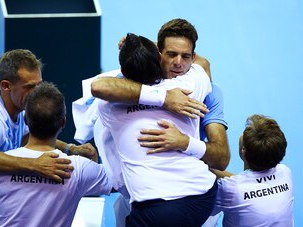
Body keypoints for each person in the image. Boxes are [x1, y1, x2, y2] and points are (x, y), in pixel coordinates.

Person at [73, 18, 230, 227]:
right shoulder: (192, 83)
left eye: (185, 56)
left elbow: (221, 157)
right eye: (171, 54)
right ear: (158, 54)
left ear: (192, 57)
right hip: (167, 198)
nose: (178, 63)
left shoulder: (111, 103)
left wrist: (184, 142)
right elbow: (100, 86)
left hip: (173, 200)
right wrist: (165, 98)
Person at [0, 49, 97, 226]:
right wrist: (35, 165)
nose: (37, 93)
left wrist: (71, 149)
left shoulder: (19, 106)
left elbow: (26, 136)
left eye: (39, 85)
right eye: (29, 87)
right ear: (6, 85)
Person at [97, 32, 215, 226]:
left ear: (124, 72)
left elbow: (100, 86)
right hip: (203, 195)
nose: (177, 62)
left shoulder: (108, 106)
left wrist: (139, 48)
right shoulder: (186, 86)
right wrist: (165, 97)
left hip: (155, 208)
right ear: (159, 59)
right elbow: (203, 63)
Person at [209, 114, 294, 226]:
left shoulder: (229, 189)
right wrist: (210, 169)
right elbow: (248, 183)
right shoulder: (285, 172)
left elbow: (200, 212)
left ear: (243, 150)